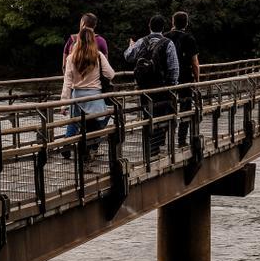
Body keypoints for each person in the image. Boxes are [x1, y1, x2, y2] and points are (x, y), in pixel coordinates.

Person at [125, 15, 179, 157]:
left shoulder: (142, 41)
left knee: (147, 114)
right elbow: (174, 68)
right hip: (162, 87)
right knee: (162, 114)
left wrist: (131, 45)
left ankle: (151, 145)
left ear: (149, 26)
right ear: (163, 28)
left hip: (144, 86)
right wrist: (172, 85)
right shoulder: (168, 43)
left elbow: (128, 56)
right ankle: (157, 144)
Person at [60, 25, 115, 158]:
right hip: (94, 96)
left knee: (74, 121)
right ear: (92, 40)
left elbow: (67, 83)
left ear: (78, 40)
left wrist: (63, 104)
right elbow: (111, 74)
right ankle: (91, 147)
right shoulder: (98, 56)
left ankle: (67, 146)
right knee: (101, 119)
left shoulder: (71, 57)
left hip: (77, 95)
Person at [164, 11, 200, 148]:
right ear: (186, 23)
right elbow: (195, 62)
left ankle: (163, 139)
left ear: (173, 22)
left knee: (168, 107)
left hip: (168, 79)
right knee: (186, 108)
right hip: (185, 77)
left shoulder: (165, 37)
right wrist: (197, 80)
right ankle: (181, 140)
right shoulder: (189, 38)